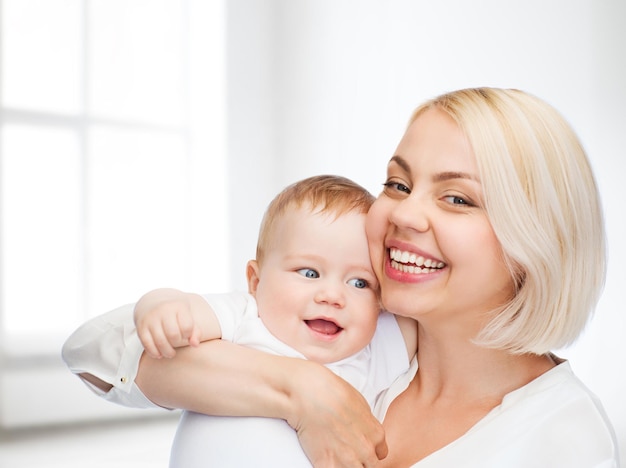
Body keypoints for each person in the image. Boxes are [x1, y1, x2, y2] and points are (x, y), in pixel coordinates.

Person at [64, 88, 620, 467]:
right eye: (398, 184)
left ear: (536, 241)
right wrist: (302, 390)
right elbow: (99, 353)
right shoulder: (356, 332)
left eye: (457, 198)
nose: (403, 214)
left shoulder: (564, 438)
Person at [63, 174, 417, 467]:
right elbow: (178, 311)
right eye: (309, 272)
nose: (332, 295)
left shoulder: (369, 353)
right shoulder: (245, 316)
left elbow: (430, 322)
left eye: (359, 283)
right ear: (256, 281)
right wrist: (157, 306)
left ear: (380, 304)